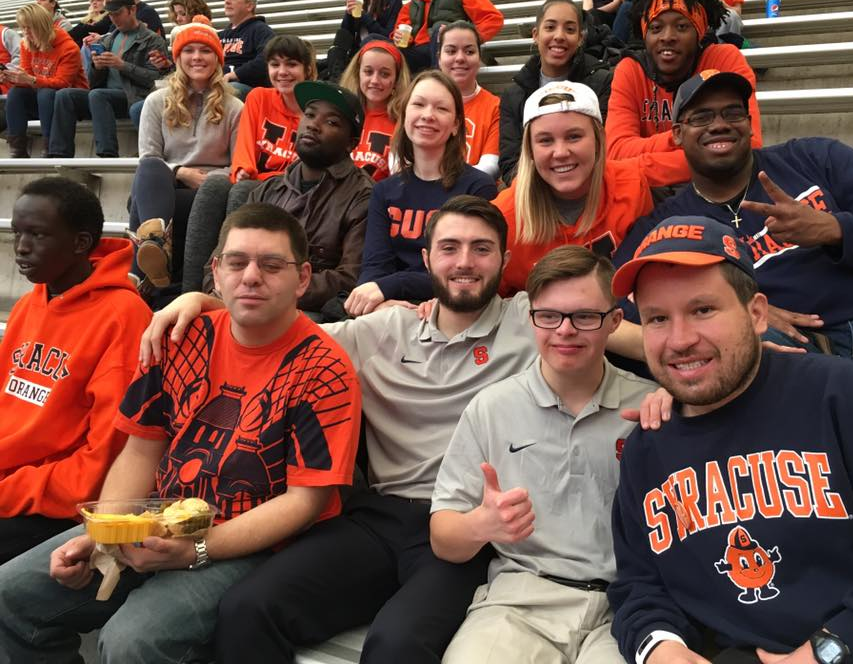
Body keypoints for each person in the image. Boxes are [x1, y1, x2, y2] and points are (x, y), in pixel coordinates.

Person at [139, 194, 654, 664]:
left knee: (396, 647)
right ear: (426, 259)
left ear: (502, 261)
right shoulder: (384, 329)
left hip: (465, 527)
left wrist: (685, 390)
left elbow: (628, 335)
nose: (465, 262)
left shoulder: (538, 319)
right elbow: (278, 322)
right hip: (377, 517)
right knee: (248, 608)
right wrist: (197, 300)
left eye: (482, 249)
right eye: (449, 247)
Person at [0, 203, 362, 663]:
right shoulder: (176, 337)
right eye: (237, 262)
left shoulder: (324, 369)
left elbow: (304, 501)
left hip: (251, 544)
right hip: (154, 519)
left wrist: (195, 551)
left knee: (134, 641)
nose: (251, 277)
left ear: (303, 278)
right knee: (13, 596)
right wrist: (106, 533)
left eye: (272, 265)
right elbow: (140, 451)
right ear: (215, 271)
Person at [607, 213, 853, 664]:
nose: (679, 340)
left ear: (756, 314)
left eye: (703, 310)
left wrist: (832, 650)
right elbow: (639, 585)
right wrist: (659, 646)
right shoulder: (646, 448)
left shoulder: (839, 395)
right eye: (657, 318)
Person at [615, 69, 853, 447]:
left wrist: (834, 230)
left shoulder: (816, 159)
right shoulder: (666, 224)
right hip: (777, 363)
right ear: (678, 134)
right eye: (701, 117)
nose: (719, 125)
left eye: (732, 113)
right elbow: (613, 310)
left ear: (749, 123)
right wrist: (742, 314)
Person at [432, 246, 657, 663]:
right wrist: (482, 525)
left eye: (585, 316)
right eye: (549, 316)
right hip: (519, 600)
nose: (565, 331)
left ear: (614, 322)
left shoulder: (650, 409)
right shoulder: (492, 407)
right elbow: (443, 537)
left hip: (625, 607)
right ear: (530, 318)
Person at [0, 177, 151, 564]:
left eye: (38, 234)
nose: (21, 247)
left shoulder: (123, 318)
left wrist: (9, 490)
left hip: (57, 503)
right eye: (18, 232)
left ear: (81, 243)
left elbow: (101, 465)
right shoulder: (33, 301)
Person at [195, 80, 374, 318]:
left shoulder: (363, 195)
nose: (313, 125)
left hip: (308, 313)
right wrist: (227, 291)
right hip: (243, 301)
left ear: (351, 143)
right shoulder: (267, 190)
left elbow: (350, 278)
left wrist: (272, 291)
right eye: (309, 115)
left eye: (331, 122)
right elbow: (217, 262)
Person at [494, 81, 688, 296]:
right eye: (545, 140)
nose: (560, 152)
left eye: (574, 136)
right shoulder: (503, 217)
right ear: (529, 150)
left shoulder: (632, 186)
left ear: (598, 140)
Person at [346, 70, 498, 316]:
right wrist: (382, 303)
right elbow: (374, 267)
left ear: (456, 124)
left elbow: (466, 270)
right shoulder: (384, 191)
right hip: (391, 308)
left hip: (455, 309)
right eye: (419, 104)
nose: (428, 115)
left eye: (441, 109)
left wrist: (388, 287)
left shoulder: (478, 187)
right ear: (404, 115)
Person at [181, 35, 316, 293]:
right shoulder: (258, 97)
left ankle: (225, 289)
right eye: (275, 65)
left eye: (291, 65)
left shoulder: (315, 110)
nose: (282, 72)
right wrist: (243, 168)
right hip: (253, 177)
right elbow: (245, 142)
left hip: (285, 186)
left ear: (307, 69)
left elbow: (296, 172)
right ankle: (190, 292)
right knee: (214, 184)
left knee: (244, 190)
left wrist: (251, 179)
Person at [604, 0, 762, 181]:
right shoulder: (631, 70)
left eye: (681, 26)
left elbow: (748, 147)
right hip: (650, 197)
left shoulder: (724, 59)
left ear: (699, 32)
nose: (667, 37)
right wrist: (689, 139)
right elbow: (616, 153)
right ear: (645, 34)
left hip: (719, 192)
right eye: (656, 27)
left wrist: (640, 166)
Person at [126, 17, 243, 296]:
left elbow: (240, 164)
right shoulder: (156, 101)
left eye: (205, 51)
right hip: (164, 181)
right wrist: (180, 172)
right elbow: (149, 156)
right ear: (178, 58)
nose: (197, 57)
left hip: (209, 189)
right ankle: (155, 243)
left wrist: (206, 178)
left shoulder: (236, 107)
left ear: (217, 58)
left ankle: (140, 275)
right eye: (189, 51)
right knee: (150, 170)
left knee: (139, 204)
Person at [498, 0, 613, 185]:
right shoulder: (513, 95)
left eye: (569, 29)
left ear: (580, 38)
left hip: (591, 187)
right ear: (535, 34)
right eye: (550, 27)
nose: (559, 36)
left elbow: (604, 150)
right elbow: (510, 162)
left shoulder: (602, 82)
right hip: (534, 192)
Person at [47, 0, 166, 159]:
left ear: (132, 10)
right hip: (104, 99)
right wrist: (97, 67)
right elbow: (92, 82)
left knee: (97, 95)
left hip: (135, 97)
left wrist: (122, 65)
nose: (113, 18)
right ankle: (58, 153)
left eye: (117, 13)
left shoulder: (152, 39)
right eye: (110, 14)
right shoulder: (108, 39)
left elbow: (156, 79)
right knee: (65, 95)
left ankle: (107, 153)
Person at [2, 4, 87, 159]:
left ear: (41, 26)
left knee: (45, 93)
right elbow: (27, 77)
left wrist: (32, 80)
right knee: (16, 93)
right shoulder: (26, 44)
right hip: (43, 99)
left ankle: (49, 145)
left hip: (68, 102)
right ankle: (17, 147)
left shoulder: (68, 47)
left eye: (30, 28)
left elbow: (63, 82)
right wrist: (12, 78)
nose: (25, 32)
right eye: (23, 27)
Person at [325, 0, 403, 83]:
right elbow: (345, 35)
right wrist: (349, 15)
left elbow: (388, 35)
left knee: (371, 40)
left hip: (379, 53)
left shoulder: (393, 0)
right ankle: (335, 77)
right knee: (339, 38)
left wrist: (363, 16)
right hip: (356, 52)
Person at [339, 38, 411, 182]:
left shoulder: (405, 122)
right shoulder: (340, 114)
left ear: (396, 80)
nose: (375, 80)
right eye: (368, 72)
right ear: (357, 74)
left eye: (385, 74)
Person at [438, 21, 501, 179]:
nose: (460, 58)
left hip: (471, 196)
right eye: (451, 51)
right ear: (439, 57)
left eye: (469, 51)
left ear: (479, 57)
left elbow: (490, 165)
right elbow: (400, 158)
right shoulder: (420, 101)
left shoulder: (495, 106)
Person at [220, 0, 275, 96]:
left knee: (229, 90)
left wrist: (235, 74)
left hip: (247, 88)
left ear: (249, 6)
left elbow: (267, 59)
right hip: (220, 83)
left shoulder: (261, 30)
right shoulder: (220, 35)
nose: (227, 1)